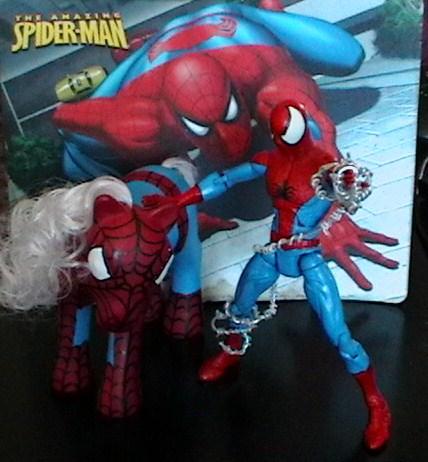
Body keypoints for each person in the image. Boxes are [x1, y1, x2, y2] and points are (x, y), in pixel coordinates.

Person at [144, 98, 391, 451]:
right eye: (276, 134)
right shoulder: (271, 159)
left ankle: (376, 403)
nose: (280, 139)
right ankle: (232, 351)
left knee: (339, 334)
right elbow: (227, 179)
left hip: (307, 256)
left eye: (285, 132)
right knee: (240, 307)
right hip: (274, 252)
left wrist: (348, 186)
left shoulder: (325, 167)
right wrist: (177, 202)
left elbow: (351, 188)